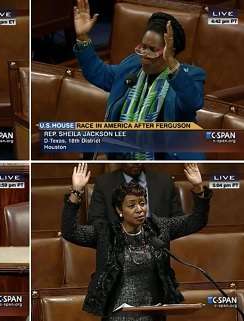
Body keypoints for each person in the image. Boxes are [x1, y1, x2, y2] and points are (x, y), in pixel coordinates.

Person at [62, 163, 211, 320]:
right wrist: (76, 192)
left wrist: (198, 187)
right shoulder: (106, 232)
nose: (139, 209)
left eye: (142, 203)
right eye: (131, 205)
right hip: (116, 317)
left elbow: (197, 221)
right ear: (119, 210)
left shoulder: (159, 228)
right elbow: (70, 232)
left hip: (153, 315)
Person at [73, 0, 205, 160]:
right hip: (124, 159)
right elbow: (99, 73)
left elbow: (192, 102)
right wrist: (82, 37)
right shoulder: (132, 65)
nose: (144, 54)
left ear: (169, 52)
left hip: (169, 163)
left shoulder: (189, 76)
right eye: (143, 46)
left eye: (152, 49)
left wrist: (171, 63)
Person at [87, 163, 184, 224]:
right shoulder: (104, 183)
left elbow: (179, 220)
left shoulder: (164, 181)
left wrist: (198, 188)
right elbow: (96, 221)